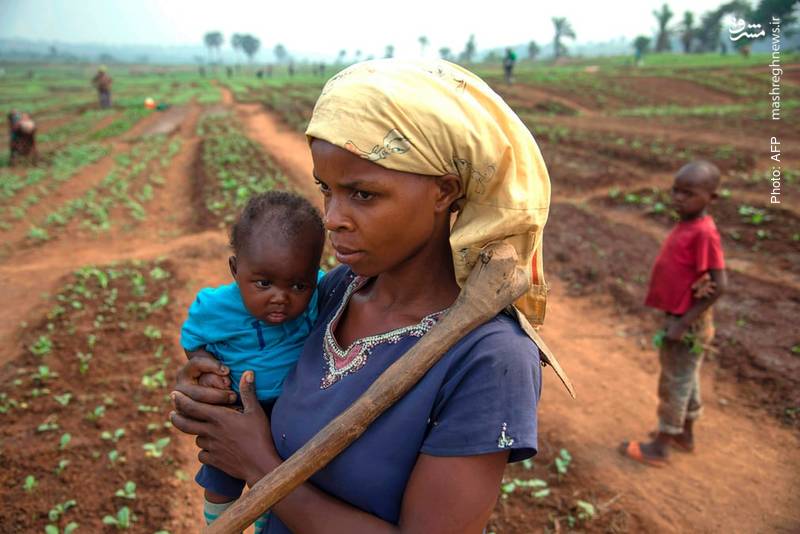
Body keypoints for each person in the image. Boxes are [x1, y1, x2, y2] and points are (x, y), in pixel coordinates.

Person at [170, 58, 570, 533]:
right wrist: (215, 376)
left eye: (362, 194)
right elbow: (261, 356)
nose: (333, 217)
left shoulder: (489, 358)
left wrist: (258, 462)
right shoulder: (337, 290)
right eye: (326, 189)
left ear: (444, 191)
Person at [180, 191, 325, 531]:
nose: (281, 298)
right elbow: (192, 342)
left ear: (315, 275)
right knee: (220, 480)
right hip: (238, 410)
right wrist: (208, 369)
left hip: (287, 408)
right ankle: (218, 525)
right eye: (263, 283)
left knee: (271, 481)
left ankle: (262, 524)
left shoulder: (322, 291)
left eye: (297, 285)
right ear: (235, 269)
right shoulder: (215, 308)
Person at [620, 160, 727, 467]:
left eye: (688, 193)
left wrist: (682, 322)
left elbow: (720, 284)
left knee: (674, 382)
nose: (678, 198)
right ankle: (684, 434)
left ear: (711, 198)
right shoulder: (688, 224)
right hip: (682, 318)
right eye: (676, 191)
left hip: (687, 322)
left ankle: (661, 446)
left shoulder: (704, 232)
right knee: (686, 379)